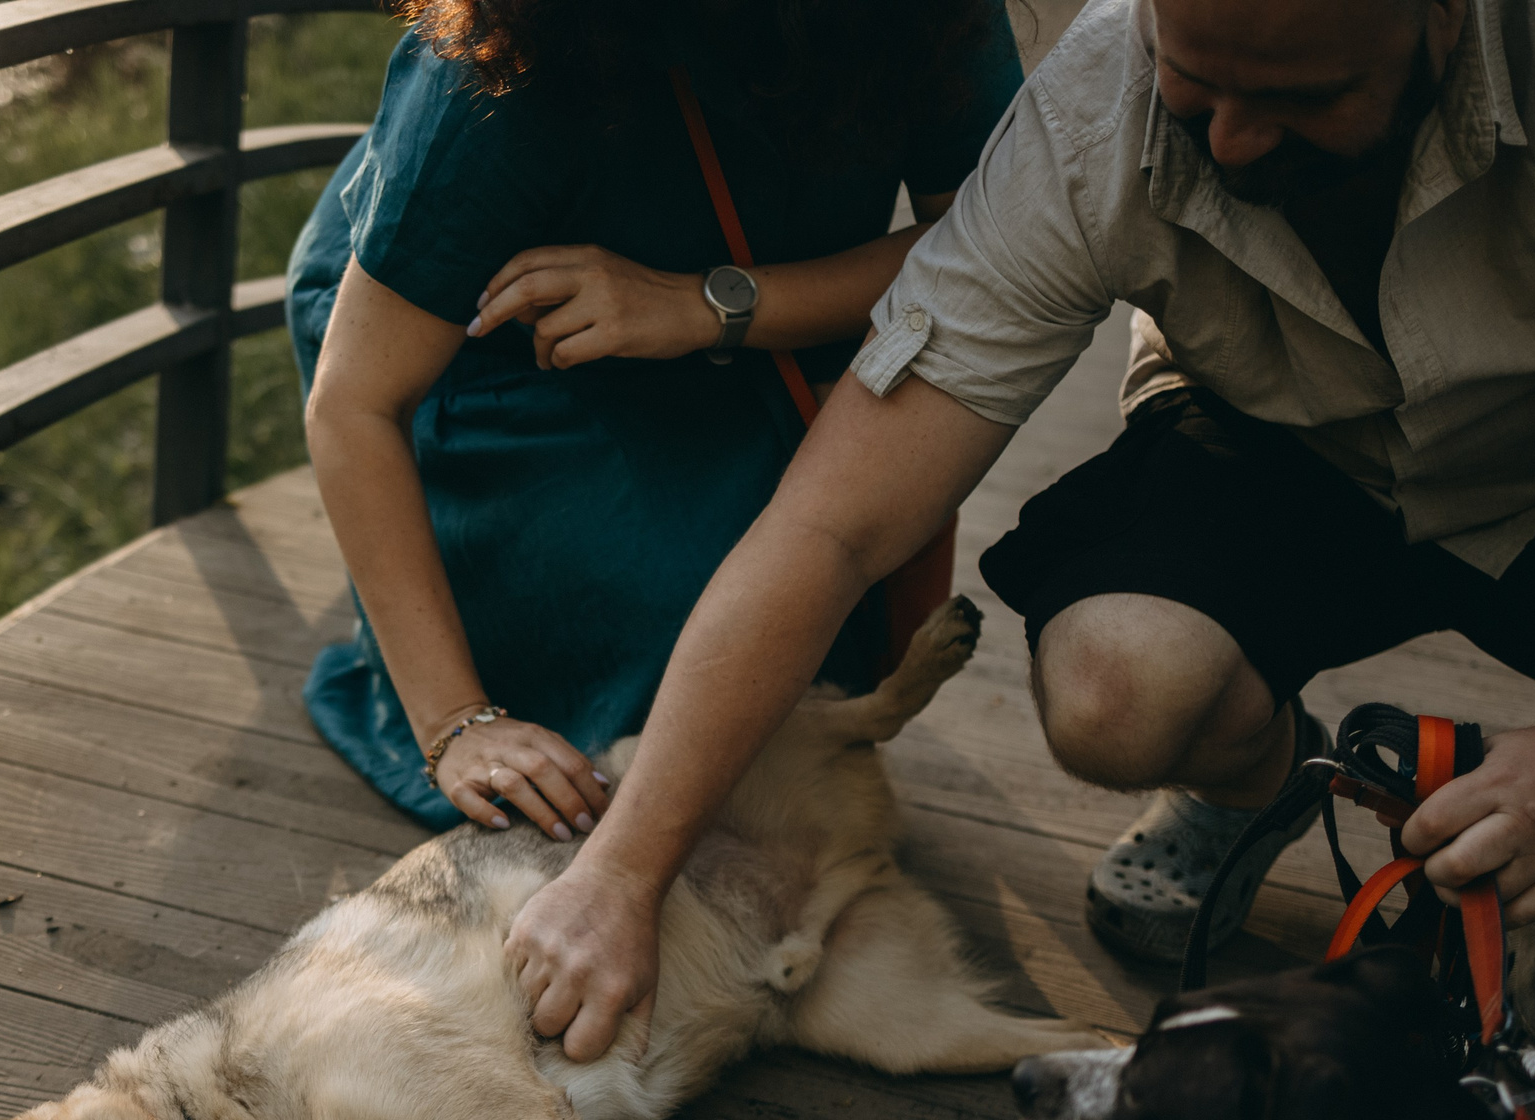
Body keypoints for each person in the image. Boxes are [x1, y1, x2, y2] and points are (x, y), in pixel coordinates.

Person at [504, 0, 1535, 1089]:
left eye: (1299, 97)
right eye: (1194, 85)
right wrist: (620, 872)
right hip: (1272, 426)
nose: (1228, 143)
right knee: (1119, 688)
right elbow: (833, 525)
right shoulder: (1088, 120)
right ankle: (1293, 785)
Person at [289, 0, 1023, 838]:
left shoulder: (926, 16)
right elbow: (355, 403)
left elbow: (987, 241)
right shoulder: (498, 55)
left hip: (726, 317)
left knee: (786, 633)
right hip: (482, 342)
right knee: (673, 662)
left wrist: (705, 305)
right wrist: (455, 722)